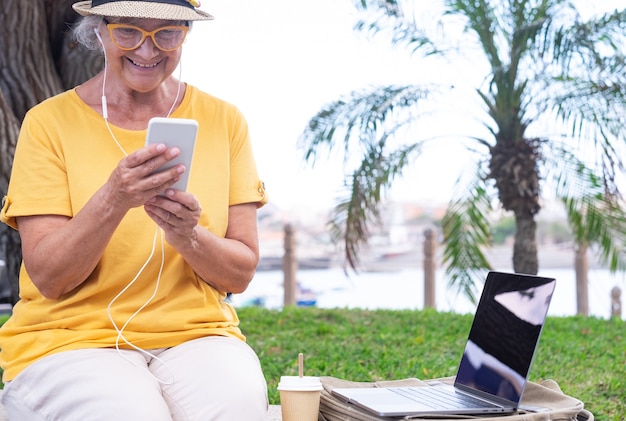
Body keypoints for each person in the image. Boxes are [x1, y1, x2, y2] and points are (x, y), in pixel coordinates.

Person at [0, 0, 270, 419]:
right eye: (128, 30)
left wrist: (189, 235)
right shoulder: (48, 123)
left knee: (235, 406)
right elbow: (50, 279)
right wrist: (113, 199)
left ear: (186, 35)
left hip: (196, 336)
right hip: (71, 339)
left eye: (167, 33)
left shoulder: (225, 121)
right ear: (99, 31)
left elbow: (240, 272)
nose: (147, 51)